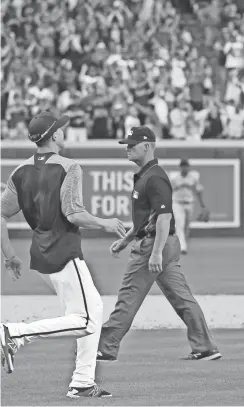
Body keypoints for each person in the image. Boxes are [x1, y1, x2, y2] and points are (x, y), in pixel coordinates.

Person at [0, 111, 126, 398]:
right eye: (61, 129)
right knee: (87, 321)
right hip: (63, 250)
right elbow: (73, 213)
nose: (64, 132)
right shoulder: (69, 167)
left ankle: (82, 382)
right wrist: (105, 222)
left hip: (41, 254)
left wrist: (9, 256)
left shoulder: (19, 172)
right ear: (54, 135)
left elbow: (1, 213)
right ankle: (14, 333)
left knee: (91, 310)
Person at [96, 126, 221, 362]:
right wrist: (125, 240)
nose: (128, 149)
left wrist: (155, 253)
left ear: (147, 146)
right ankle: (205, 347)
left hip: (155, 244)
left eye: (132, 145)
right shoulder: (147, 175)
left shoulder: (154, 177)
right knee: (182, 297)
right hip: (162, 242)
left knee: (129, 294)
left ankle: (105, 346)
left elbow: (163, 217)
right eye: (127, 145)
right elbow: (146, 218)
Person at [169, 159, 210, 254]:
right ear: (180, 168)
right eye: (183, 166)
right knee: (180, 225)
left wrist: (202, 205)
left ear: (188, 167)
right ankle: (182, 247)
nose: (185, 168)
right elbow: (168, 190)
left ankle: (184, 243)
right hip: (177, 203)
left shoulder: (193, 178)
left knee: (187, 227)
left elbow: (198, 191)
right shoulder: (174, 178)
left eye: (186, 166)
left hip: (189, 204)